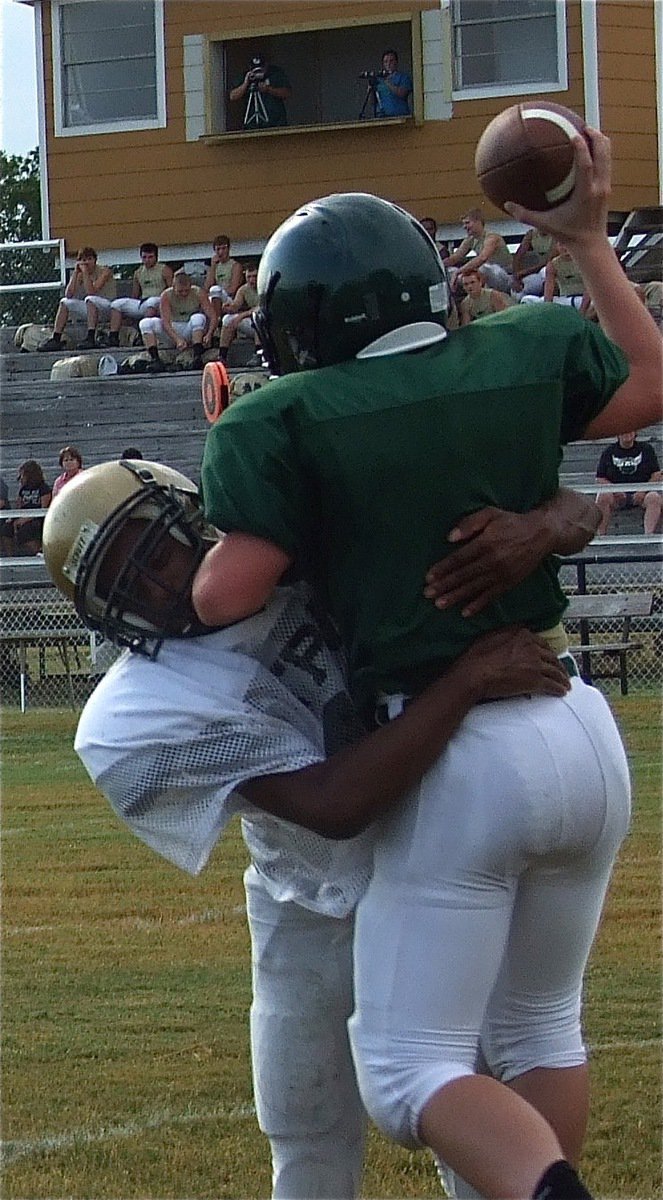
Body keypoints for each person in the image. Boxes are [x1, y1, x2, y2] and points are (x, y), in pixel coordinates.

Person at [191, 130, 663, 1200]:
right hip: (578, 721)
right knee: (541, 1025)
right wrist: (587, 240)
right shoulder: (526, 345)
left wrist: (242, 501)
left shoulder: (280, 420)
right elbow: (649, 384)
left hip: (456, 748)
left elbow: (229, 593)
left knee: (406, 1070)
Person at [41, 458, 591, 1200]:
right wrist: (466, 682)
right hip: (304, 893)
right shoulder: (133, 715)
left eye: (154, 548)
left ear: (193, 518)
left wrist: (545, 524)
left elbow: (574, 505)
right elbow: (335, 805)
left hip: (430, 857)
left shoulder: (299, 552)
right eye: (122, 580)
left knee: (467, 1095)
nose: (155, 585)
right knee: (303, 1121)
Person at [39, 247, 116, 352]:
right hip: (91, 309)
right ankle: (56, 338)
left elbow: (92, 291)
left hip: (108, 308)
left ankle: (91, 337)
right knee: (64, 302)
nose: (86, 263)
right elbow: (69, 294)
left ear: (95, 260)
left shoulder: (105, 271)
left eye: (89, 259)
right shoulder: (80, 273)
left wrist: (84, 273)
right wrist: (75, 273)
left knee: (90, 299)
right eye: (83, 260)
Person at [139, 269, 217, 373]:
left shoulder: (198, 292)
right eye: (180, 291)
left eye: (186, 290)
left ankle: (197, 356)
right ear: (173, 287)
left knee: (198, 317)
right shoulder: (166, 295)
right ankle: (155, 359)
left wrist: (209, 334)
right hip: (172, 328)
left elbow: (213, 316)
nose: (184, 294)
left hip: (190, 328)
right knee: (145, 323)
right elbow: (165, 322)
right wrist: (177, 339)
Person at [595, 430, 662, 535]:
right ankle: (601, 536)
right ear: (617, 434)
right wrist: (615, 490)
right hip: (617, 496)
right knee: (603, 496)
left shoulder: (646, 449)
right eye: (623, 431)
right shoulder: (609, 452)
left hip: (642, 495)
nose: (627, 434)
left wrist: (643, 491)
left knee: (654, 497)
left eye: (630, 431)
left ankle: (649, 536)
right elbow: (600, 478)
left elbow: (657, 474)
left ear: (635, 433)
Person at [106, 243, 173, 346]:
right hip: (143, 302)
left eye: (150, 257)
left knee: (152, 301)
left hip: (159, 302)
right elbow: (135, 294)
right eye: (144, 257)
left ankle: (143, 335)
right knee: (117, 304)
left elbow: (171, 292)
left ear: (156, 257)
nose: (147, 260)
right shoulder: (138, 272)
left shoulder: (164, 270)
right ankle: (113, 337)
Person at [443, 208, 513, 294]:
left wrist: (459, 271)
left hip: (504, 277)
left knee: (485, 268)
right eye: (463, 224)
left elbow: (482, 258)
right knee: (450, 271)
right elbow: (453, 259)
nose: (464, 227)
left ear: (478, 222)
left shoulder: (492, 237)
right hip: (484, 278)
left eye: (467, 223)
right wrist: (438, 265)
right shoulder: (470, 240)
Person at [229, 53, 291, 130]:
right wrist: (246, 83)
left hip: (275, 123)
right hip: (252, 125)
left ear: (266, 65)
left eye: (261, 69)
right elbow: (232, 96)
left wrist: (268, 89)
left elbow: (287, 93)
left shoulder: (275, 74)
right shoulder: (246, 76)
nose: (258, 73)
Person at [218, 263, 261, 365]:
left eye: (254, 276)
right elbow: (236, 305)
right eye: (249, 277)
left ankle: (258, 354)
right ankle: (222, 356)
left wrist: (241, 316)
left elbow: (260, 308)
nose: (251, 280)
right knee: (228, 319)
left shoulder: (265, 287)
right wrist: (229, 307)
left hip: (268, 324)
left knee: (259, 318)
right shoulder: (243, 289)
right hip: (251, 322)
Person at [13, 459, 51, 554]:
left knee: (26, 530)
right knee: (6, 529)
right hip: (23, 516)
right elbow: (19, 506)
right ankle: (11, 556)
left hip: (36, 518)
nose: (21, 478)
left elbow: (43, 509)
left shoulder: (43, 488)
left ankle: (39, 551)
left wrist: (25, 519)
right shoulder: (23, 489)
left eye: (23, 475)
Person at [204, 235, 244, 323]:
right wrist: (213, 267)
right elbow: (207, 287)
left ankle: (216, 323)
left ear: (228, 249)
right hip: (214, 298)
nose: (221, 252)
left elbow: (233, 289)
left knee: (215, 290)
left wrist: (219, 294)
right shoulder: (214, 266)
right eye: (218, 249)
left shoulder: (235, 265)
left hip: (229, 298)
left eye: (223, 248)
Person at [510, 226, 555, 298]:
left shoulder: (556, 235)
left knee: (545, 272)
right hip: (538, 273)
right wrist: (516, 277)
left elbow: (549, 261)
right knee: (517, 291)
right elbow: (518, 256)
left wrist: (526, 272)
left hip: (552, 270)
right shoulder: (531, 234)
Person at [375, 50, 412, 118]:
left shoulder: (403, 77)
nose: (388, 64)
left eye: (391, 61)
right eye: (386, 61)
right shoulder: (379, 80)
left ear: (396, 62)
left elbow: (402, 94)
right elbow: (372, 102)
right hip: (382, 116)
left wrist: (387, 82)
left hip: (399, 115)